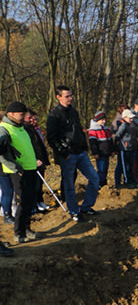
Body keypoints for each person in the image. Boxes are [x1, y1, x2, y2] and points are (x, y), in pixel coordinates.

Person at [46, 85, 100, 222]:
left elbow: (78, 130)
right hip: (68, 154)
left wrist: (84, 146)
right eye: (67, 96)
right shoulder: (54, 116)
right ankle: (74, 211)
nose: (70, 98)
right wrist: (64, 153)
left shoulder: (73, 112)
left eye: (71, 95)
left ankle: (87, 206)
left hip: (81, 152)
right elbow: (52, 138)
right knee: (69, 184)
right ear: (58, 97)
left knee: (94, 178)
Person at [0, 101, 39, 243]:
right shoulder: (4, 129)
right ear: (11, 114)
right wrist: (16, 168)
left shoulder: (21, 127)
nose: (24, 117)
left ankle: (27, 229)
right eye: (22, 115)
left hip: (30, 168)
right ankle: (19, 232)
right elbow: (1, 153)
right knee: (23, 201)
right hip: (18, 171)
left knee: (30, 200)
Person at [23, 110, 50, 212]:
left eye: (34, 119)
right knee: (35, 185)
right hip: (32, 161)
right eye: (30, 118)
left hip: (40, 159)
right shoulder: (24, 130)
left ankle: (40, 201)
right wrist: (33, 159)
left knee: (40, 183)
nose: (32, 121)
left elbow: (40, 145)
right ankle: (34, 205)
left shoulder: (35, 129)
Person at [113, 109, 138, 188]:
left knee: (130, 165)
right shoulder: (123, 125)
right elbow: (118, 136)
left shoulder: (131, 125)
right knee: (125, 166)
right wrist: (116, 147)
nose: (131, 119)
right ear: (125, 117)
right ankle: (127, 181)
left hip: (131, 147)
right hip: (124, 149)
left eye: (132, 118)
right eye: (130, 118)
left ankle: (132, 180)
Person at [87, 111, 114, 188]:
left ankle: (104, 183)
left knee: (105, 168)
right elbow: (93, 143)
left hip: (106, 153)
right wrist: (95, 153)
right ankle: (99, 183)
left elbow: (110, 141)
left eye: (104, 120)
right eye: (102, 120)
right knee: (101, 169)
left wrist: (112, 151)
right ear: (97, 120)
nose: (104, 121)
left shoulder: (106, 130)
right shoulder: (93, 131)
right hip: (100, 153)